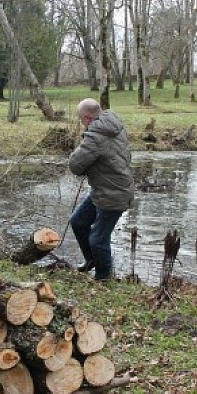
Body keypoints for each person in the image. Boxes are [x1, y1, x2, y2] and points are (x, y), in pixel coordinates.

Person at [68, 98, 135, 281]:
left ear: (88, 117)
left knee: (98, 239)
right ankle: (92, 261)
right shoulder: (114, 124)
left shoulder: (95, 137)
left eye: (81, 119)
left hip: (113, 194)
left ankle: (104, 278)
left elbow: (75, 166)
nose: (81, 123)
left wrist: (81, 147)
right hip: (106, 189)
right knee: (78, 222)